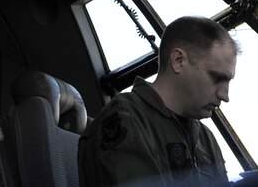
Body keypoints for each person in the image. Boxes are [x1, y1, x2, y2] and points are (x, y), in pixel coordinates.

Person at [77, 15, 240, 186]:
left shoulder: (205, 138)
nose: (225, 95)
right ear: (178, 61)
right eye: (216, 78)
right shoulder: (125, 118)